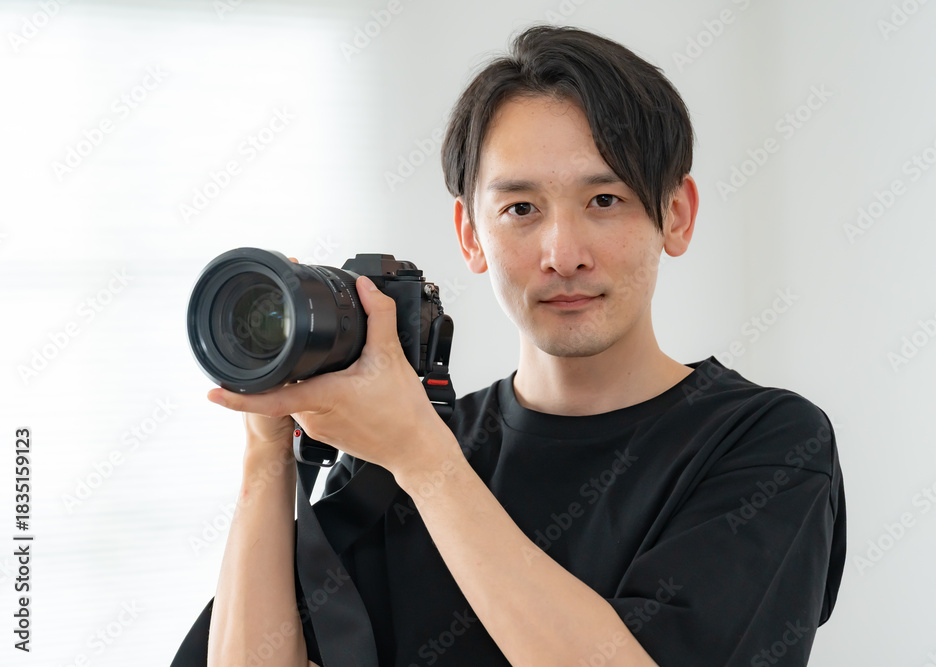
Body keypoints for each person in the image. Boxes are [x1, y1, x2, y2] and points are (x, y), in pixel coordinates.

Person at [190, 24, 846, 666]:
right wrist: (267, 450)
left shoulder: (767, 443)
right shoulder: (391, 451)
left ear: (676, 215)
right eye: (521, 209)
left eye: (605, 199)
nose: (564, 254)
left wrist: (425, 462)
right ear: (470, 235)